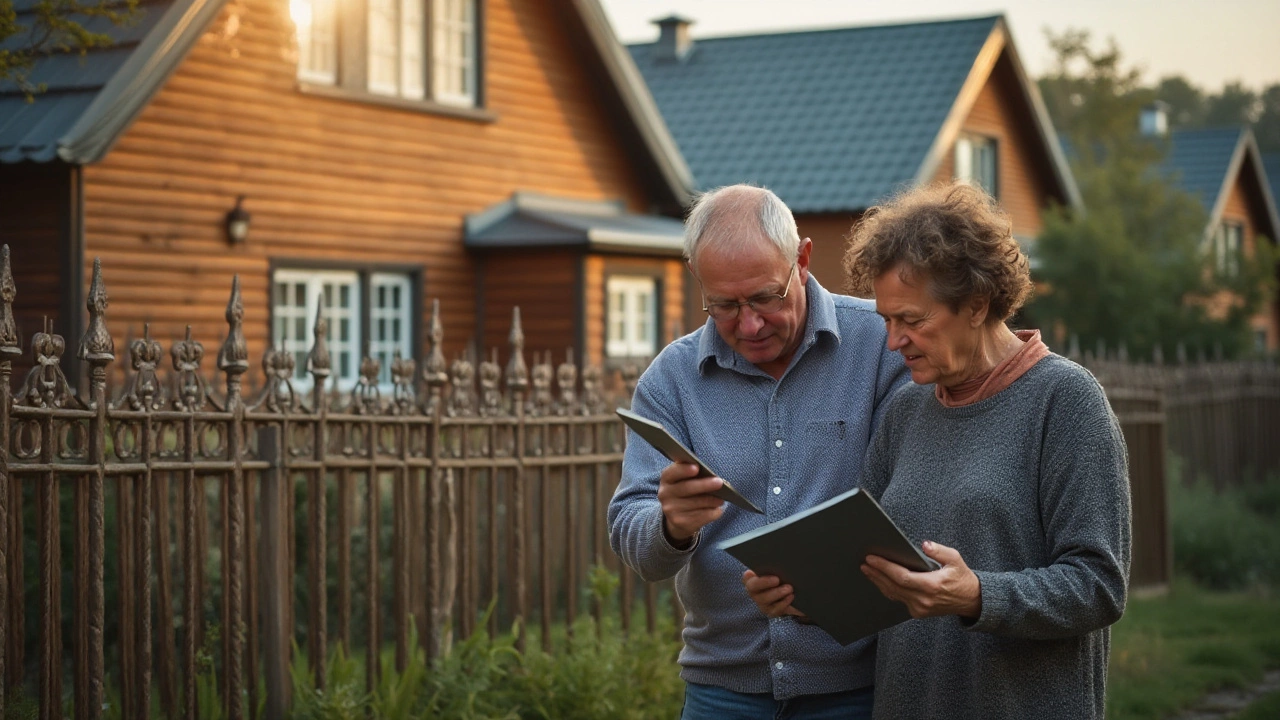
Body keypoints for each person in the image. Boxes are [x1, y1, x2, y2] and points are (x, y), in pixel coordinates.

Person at [745, 181, 1132, 720]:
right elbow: (873, 579)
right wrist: (801, 597)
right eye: (886, 320)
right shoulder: (907, 411)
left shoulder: (1065, 400)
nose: (893, 341)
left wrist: (978, 595)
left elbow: (1098, 586)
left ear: (977, 304)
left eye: (913, 320)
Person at [608, 184, 909, 719]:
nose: (748, 325)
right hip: (720, 691)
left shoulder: (882, 346)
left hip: (860, 689)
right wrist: (672, 526)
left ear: (803, 258)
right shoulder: (670, 381)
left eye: (766, 297)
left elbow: (917, 506)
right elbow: (632, 539)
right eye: (723, 305)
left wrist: (829, 591)